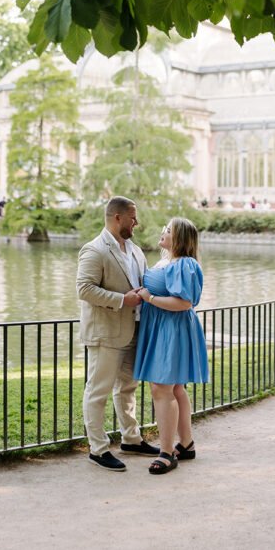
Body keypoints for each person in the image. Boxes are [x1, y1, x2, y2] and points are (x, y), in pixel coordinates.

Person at [76, 196, 159, 472]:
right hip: (106, 332)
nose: (136, 222)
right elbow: (84, 289)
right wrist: (123, 299)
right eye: (133, 217)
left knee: (128, 388)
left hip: (133, 329)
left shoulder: (134, 249)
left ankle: (131, 439)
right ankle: (98, 449)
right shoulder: (94, 250)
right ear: (118, 218)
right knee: (97, 391)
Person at [134, 217, 209, 475]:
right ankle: (185, 444)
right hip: (162, 328)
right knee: (175, 388)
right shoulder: (166, 261)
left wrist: (149, 297)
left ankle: (167, 453)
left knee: (161, 388)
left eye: (168, 230)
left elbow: (184, 303)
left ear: (180, 238)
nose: (162, 231)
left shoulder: (184, 264)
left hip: (172, 329)